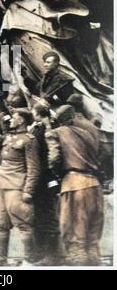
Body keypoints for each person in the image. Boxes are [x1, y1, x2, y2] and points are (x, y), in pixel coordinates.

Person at [46, 105, 104, 266]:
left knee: (75, 241)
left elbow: (54, 159)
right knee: (92, 241)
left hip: (73, 184)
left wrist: (57, 175)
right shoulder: (89, 133)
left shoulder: (55, 133)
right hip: (94, 185)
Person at [0, 108, 40, 266]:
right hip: (1, 187)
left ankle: (29, 261)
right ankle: (0, 260)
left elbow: (34, 168)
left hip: (16, 187)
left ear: (21, 120)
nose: (10, 120)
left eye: (14, 117)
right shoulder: (8, 138)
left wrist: (28, 190)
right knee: (1, 224)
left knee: (24, 224)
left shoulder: (29, 140)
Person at [29, 103, 60, 265]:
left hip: (46, 177)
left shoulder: (47, 129)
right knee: (39, 215)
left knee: (48, 215)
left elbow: (51, 153)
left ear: (38, 114)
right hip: (40, 177)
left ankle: (51, 256)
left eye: (33, 111)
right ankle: (41, 254)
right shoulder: (39, 128)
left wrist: (49, 172)